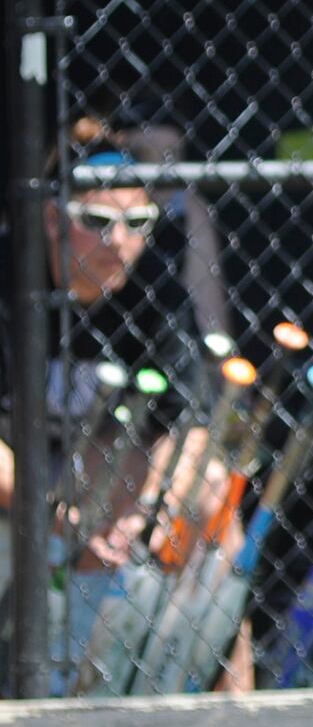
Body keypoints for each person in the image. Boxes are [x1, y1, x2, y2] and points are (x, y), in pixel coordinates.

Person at [0, 118, 247, 694]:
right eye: (98, 222)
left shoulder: (153, 286)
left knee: (212, 495)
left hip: (110, 468)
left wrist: (151, 506)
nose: (119, 241)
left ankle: (225, 698)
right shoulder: (11, 275)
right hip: (26, 469)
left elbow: (188, 426)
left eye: (137, 223)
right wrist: (52, 505)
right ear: (54, 219)